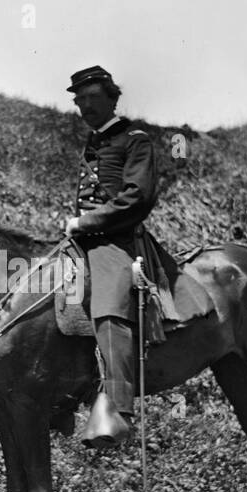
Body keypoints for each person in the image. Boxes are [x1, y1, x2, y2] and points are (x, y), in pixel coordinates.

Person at [63, 65, 158, 448]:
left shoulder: (135, 140)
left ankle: (118, 410)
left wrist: (88, 223)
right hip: (84, 237)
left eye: (91, 98)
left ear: (112, 98)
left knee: (107, 300)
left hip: (117, 241)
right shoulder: (93, 143)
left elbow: (138, 197)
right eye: (78, 100)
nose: (84, 106)